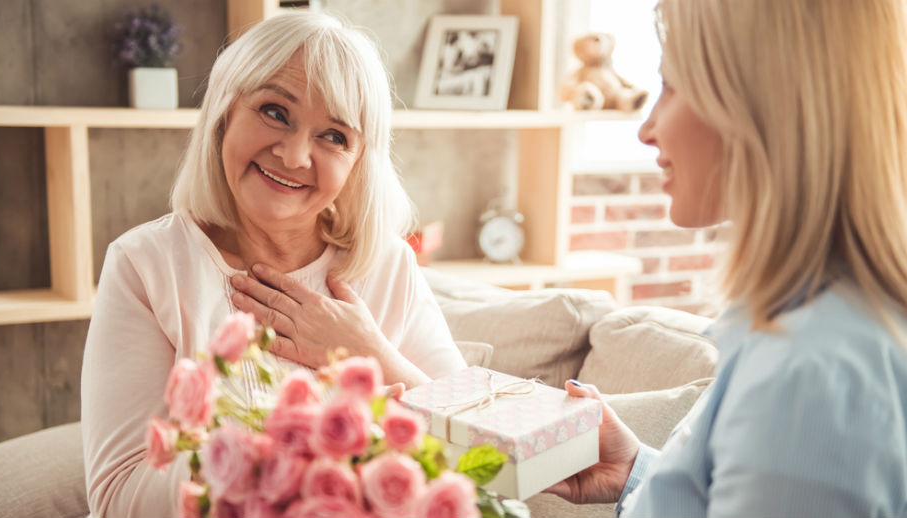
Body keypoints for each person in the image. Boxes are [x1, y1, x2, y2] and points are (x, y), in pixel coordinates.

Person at [81, 10, 466, 517]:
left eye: (334, 136)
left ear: (357, 163)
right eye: (275, 112)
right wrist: (298, 432)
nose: (294, 155)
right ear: (224, 112)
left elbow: (479, 451)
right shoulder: (146, 265)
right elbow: (117, 498)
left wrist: (369, 353)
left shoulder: (388, 265)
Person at [549, 1, 907, 516]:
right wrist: (639, 475)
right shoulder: (811, 329)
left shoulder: (807, 375)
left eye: (670, 85)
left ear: (763, 104)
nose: (646, 129)